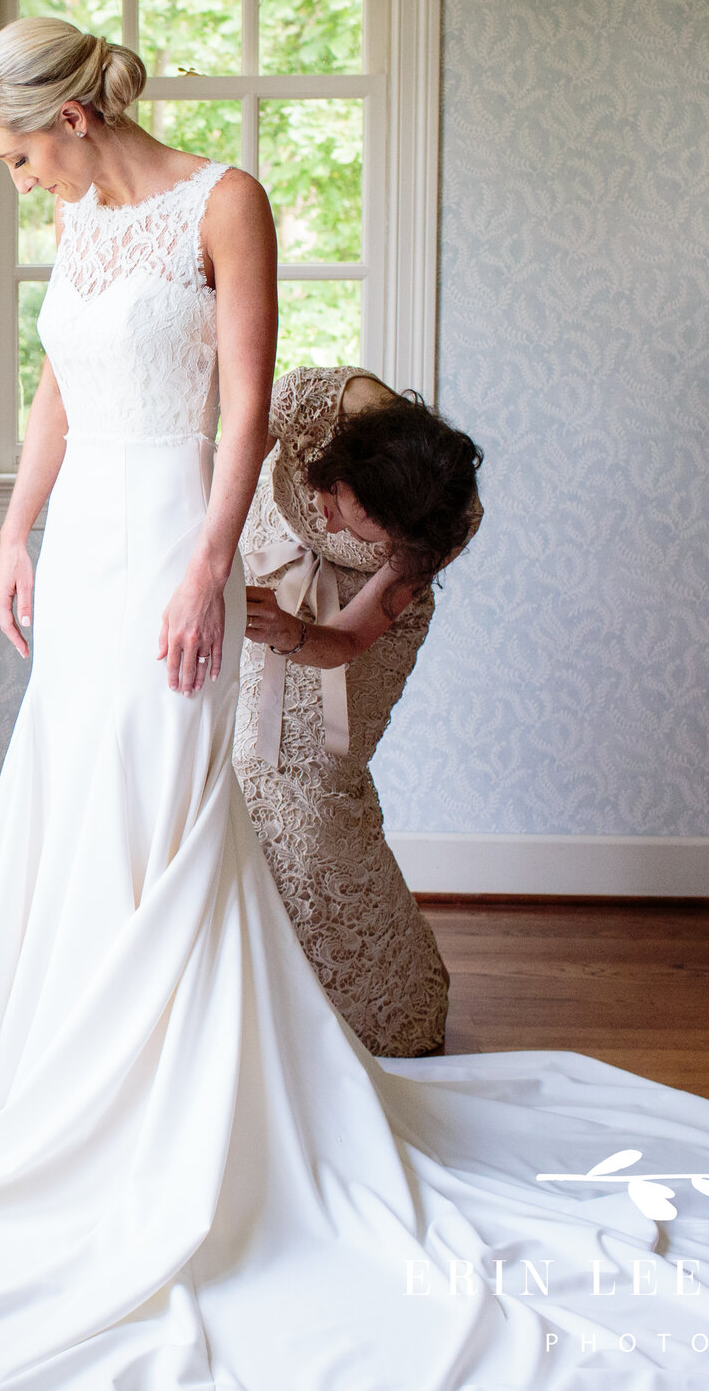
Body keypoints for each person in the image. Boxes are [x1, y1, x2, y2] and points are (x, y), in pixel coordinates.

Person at [0, 16, 709, 1389]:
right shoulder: (86, 228)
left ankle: (173, 1131)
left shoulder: (225, 201)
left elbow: (239, 413)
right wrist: (13, 533)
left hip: (176, 535)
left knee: (168, 815)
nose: (20, 180)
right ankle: (56, 1095)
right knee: (72, 805)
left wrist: (210, 564)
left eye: (23, 152)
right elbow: (58, 380)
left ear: (77, 115)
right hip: (90, 545)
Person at [233, 369, 481, 1057]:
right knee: (253, 768)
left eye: (348, 521)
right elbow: (238, 436)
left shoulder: (436, 530)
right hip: (269, 551)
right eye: (336, 499)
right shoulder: (327, 401)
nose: (328, 515)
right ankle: (252, 1000)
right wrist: (214, 556)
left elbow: (347, 640)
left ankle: (387, 1003)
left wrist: (292, 633)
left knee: (317, 784)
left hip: (356, 619)